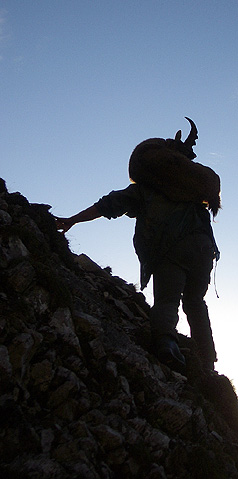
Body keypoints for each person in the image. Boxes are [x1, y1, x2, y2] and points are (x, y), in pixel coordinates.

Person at [55, 118, 220, 373]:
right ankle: (207, 364)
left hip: (170, 249)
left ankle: (166, 344)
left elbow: (107, 205)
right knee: (195, 302)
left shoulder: (145, 190)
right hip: (203, 250)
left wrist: (73, 220)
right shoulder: (191, 191)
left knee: (167, 300)